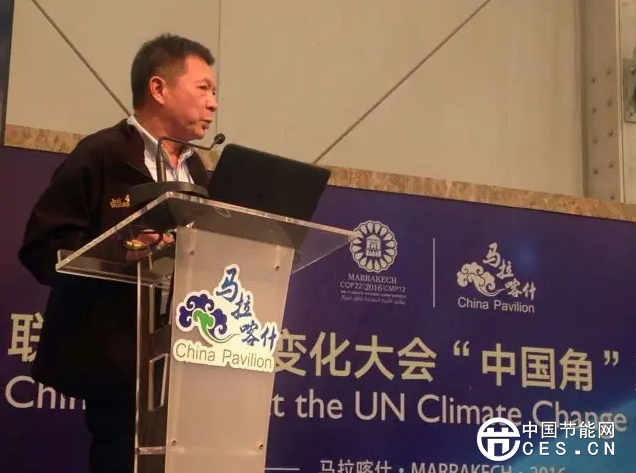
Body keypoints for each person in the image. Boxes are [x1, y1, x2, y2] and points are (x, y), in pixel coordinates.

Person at [18, 33, 218, 473]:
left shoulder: (196, 168)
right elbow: (42, 247)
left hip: (190, 353)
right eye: (204, 88)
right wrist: (126, 250)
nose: (213, 103)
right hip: (120, 360)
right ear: (159, 88)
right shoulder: (101, 154)